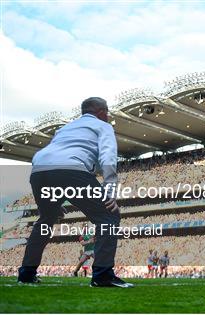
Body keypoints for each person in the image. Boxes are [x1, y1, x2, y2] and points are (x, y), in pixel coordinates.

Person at [17, 97, 133, 288]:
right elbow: (108, 155)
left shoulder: (64, 129)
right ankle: (103, 275)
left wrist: (53, 202)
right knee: (109, 216)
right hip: (72, 169)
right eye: (107, 112)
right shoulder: (103, 126)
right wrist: (110, 190)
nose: (108, 115)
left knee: (46, 219)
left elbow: (52, 156)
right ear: (102, 112)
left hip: (39, 170)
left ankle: (26, 273)